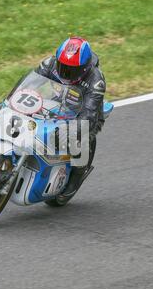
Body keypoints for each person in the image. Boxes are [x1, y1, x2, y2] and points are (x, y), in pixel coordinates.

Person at [35, 36, 106, 199]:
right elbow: (32, 83)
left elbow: (89, 115)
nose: (65, 72)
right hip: (59, 102)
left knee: (79, 141)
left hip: (86, 113)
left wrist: (71, 130)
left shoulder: (96, 81)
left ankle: (76, 177)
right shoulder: (50, 64)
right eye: (63, 66)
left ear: (84, 68)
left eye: (71, 69)